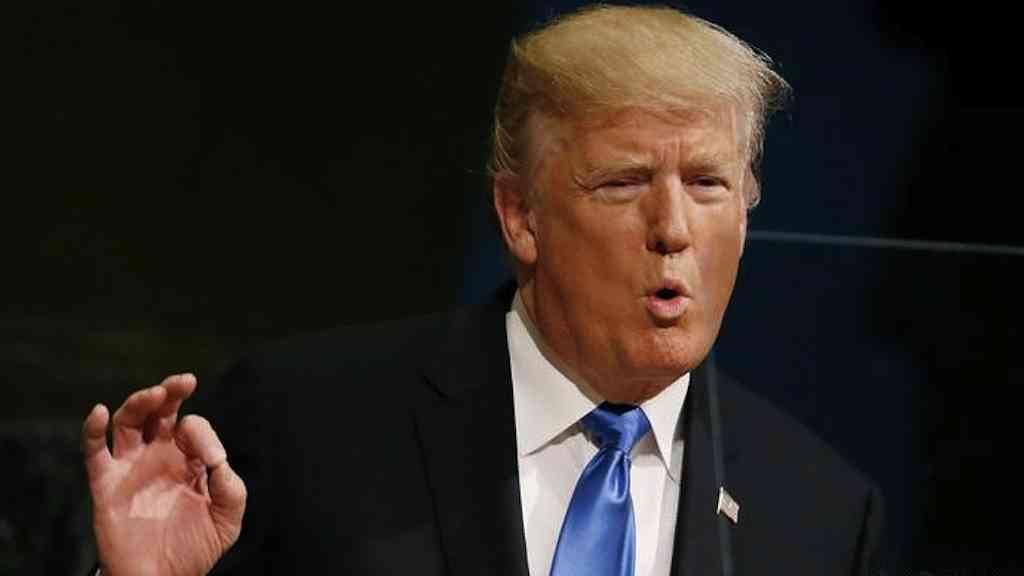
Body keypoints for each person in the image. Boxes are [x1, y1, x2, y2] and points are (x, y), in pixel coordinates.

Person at [80, 4, 883, 575]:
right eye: (623, 182)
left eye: (708, 183)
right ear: (521, 216)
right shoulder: (304, 427)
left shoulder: (818, 514)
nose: (673, 228)